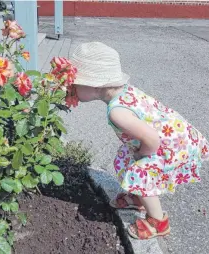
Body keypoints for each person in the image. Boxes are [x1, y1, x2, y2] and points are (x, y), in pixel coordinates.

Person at [69, 42, 209, 240]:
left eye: (74, 84)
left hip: (169, 146)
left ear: (94, 84)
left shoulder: (117, 112)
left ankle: (158, 221)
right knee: (128, 157)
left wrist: (142, 154)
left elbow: (152, 139)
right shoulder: (124, 90)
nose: (71, 88)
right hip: (172, 136)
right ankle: (138, 198)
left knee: (141, 172)